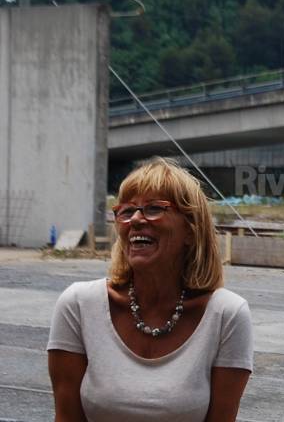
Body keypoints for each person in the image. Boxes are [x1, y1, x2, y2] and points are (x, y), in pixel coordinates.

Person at [48, 157, 253, 421]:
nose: (135, 220)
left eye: (154, 208)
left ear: (191, 230)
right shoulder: (78, 305)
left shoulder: (228, 315)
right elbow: (67, 417)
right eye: (125, 210)